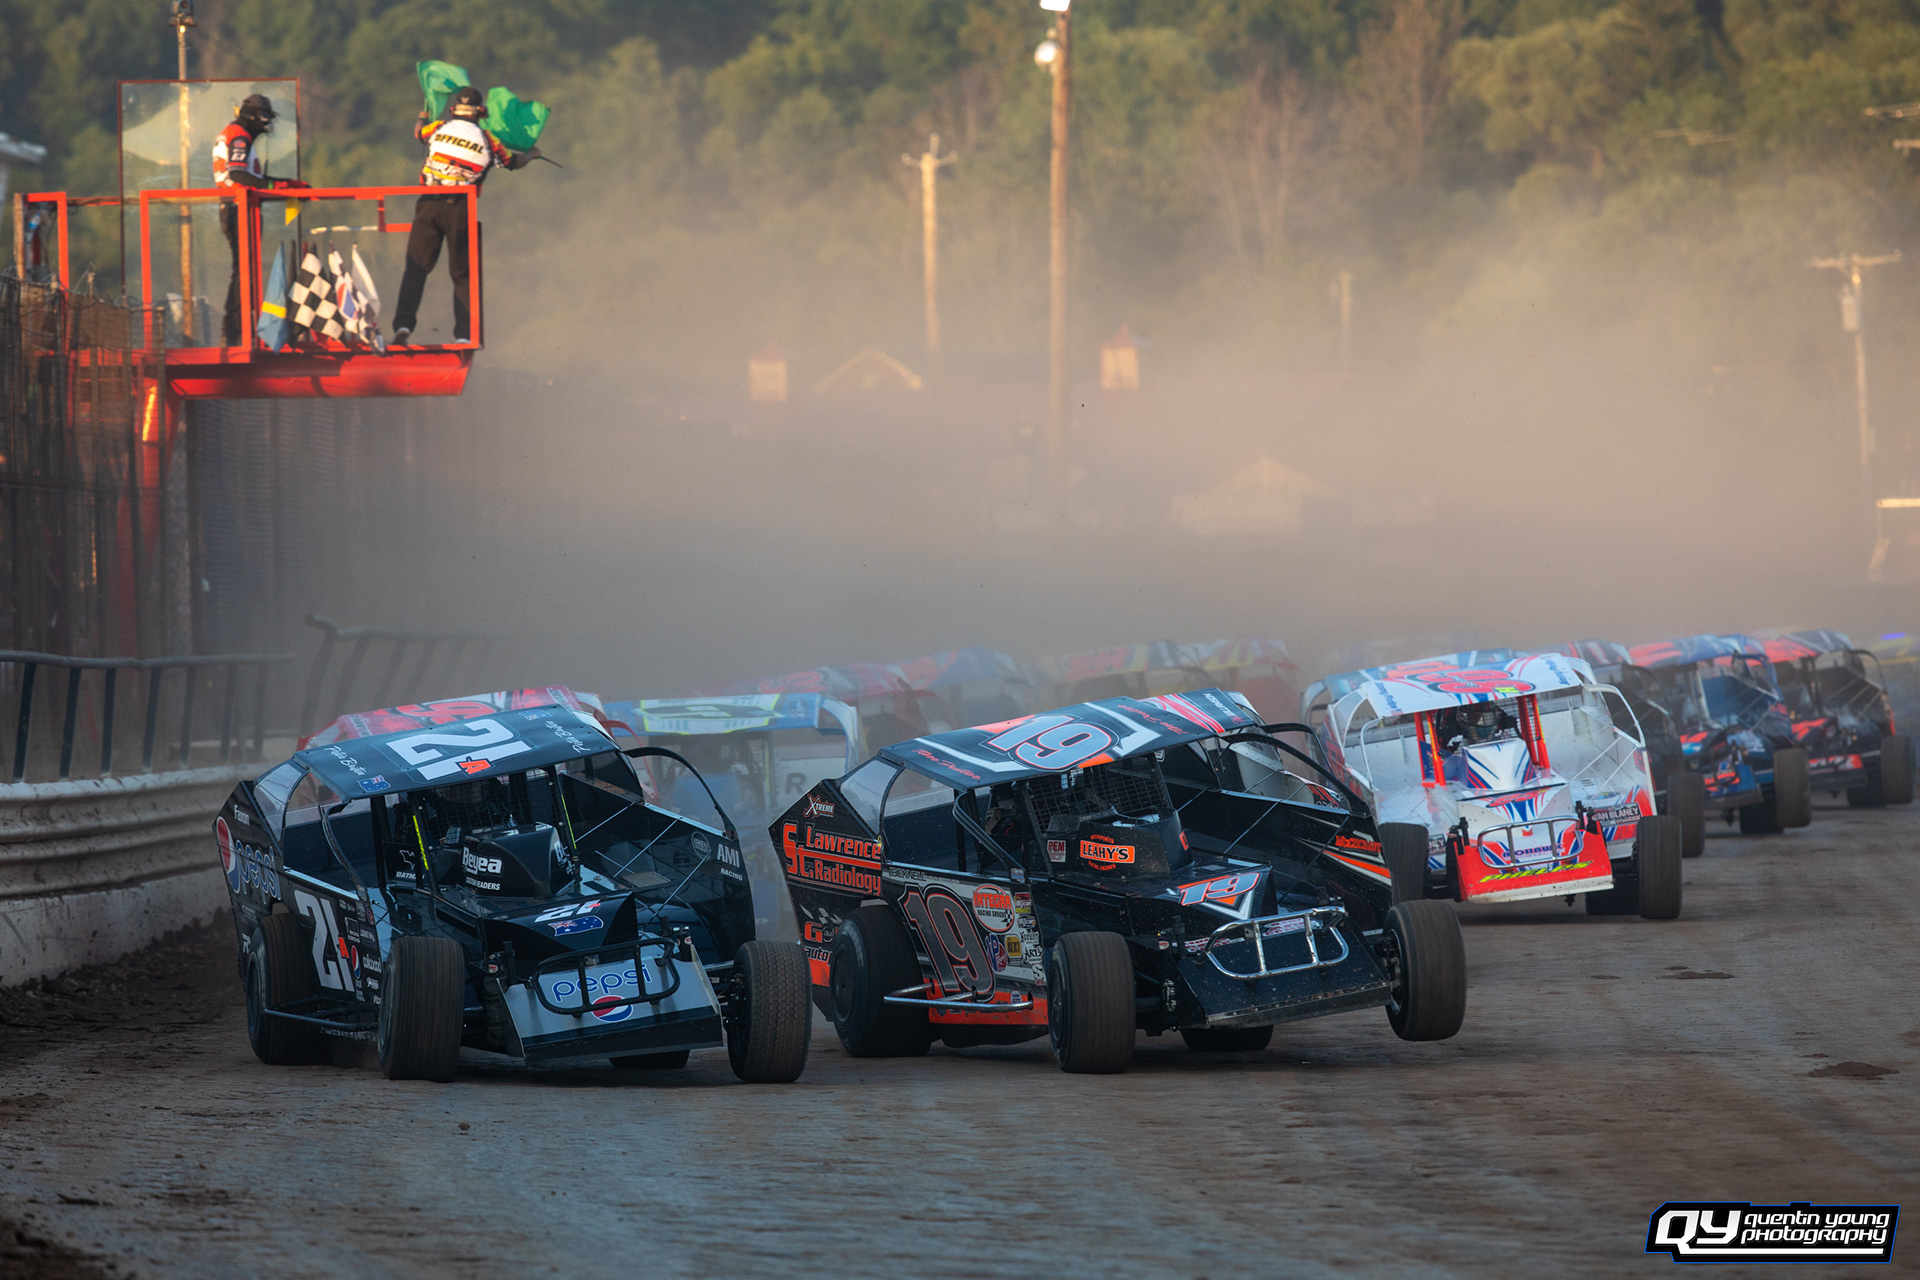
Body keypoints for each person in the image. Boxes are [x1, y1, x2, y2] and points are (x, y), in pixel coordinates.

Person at [391, 86, 539, 344]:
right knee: (462, 274)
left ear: (454, 110)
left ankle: (403, 326)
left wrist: (423, 114)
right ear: (480, 113)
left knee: (416, 268)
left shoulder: (437, 128)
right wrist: (532, 154)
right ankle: (463, 335)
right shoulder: (489, 140)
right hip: (461, 208)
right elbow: (513, 163)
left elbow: (418, 131)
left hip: (428, 203)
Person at [212, 94, 302, 346]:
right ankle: (234, 334)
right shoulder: (239, 135)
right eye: (263, 117)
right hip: (238, 210)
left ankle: (237, 332)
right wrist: (276, 185)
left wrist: (285, 186)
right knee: (243, 272)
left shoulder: (237, 134)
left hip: (239, 208)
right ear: (251, 116)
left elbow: (248, 177)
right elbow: (239, 174)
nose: (266, 123)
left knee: (245, 271)